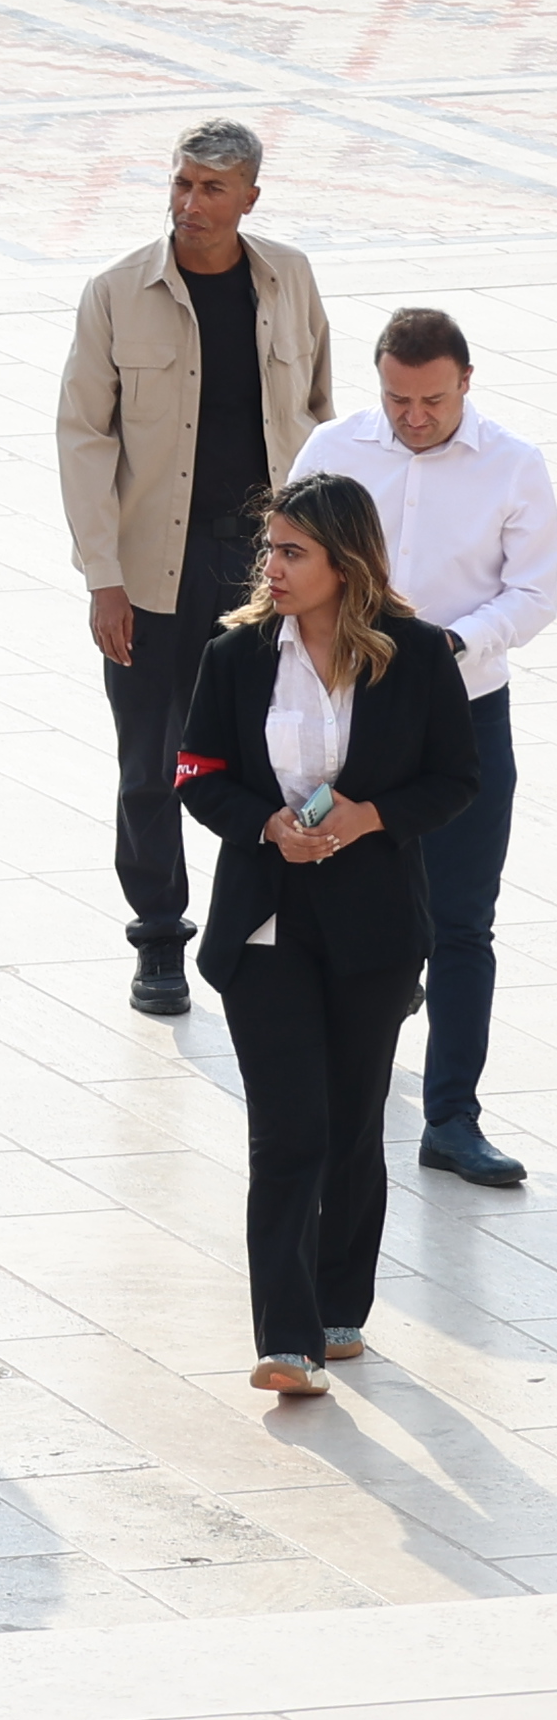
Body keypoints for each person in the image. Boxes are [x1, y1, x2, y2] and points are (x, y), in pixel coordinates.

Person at [179, 474, 487, 1393]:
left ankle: (340, 1310)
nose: (271, 567)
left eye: (292, 552)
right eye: (270, 549)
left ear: (344, 564)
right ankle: (286, 1339)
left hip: (374, 930)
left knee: (353, 1127)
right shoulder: (233, 658)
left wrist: (370, 817)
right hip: (266, 923)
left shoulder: (418, 655)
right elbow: (197, 771)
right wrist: (267, 824)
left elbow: (456, 777)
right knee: (289, 1131)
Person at [59, 121, 334, 1014]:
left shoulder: (289, 279)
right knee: (152, 763)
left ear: (251, 196)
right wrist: (105, 577)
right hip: (154, 569)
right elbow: (83, 439)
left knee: (281, 752)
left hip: (267, 569)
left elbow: (324, 419)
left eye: (213, 189)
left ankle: (266, 931)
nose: (190, 205)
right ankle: (159, 940)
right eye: (181, 184)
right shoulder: (115, 293)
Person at [291, 306, 557, 1189]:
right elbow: (287, 553)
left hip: (462, 717)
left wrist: (449, 646)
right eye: (398, 399)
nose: (414, 417)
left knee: (461, 924)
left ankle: (452, 1118)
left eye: (432, 400)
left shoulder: (514, 467)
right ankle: (329, 1093)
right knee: (328, 899)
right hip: (346, 715)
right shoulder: (334, 449)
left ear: (467, 383)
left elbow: (535, 591)